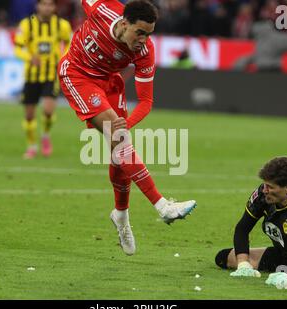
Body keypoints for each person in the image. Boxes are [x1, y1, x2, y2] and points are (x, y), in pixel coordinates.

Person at [57, 0, 197, 255]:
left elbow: (146, 102)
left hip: (109, 84)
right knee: (120, 139)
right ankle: (162, 205)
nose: (144, 39)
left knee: (118, 149)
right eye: (139, 32)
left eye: (149, 34)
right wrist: (120, 128)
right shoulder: (100, 8)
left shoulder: (145, 52)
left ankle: (121, 215)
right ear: (124, 24)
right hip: (77, 75)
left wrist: (127, 123)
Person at [215, 156, 287, 289]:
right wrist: (243, 265)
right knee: (224, 257)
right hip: (282, 254)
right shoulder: (263, 195)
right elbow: (242, 229)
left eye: (270, 187)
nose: (264, 190)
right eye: (265, 185)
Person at [14, 0, 72, 159]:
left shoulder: (62, 25)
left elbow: (69, 43)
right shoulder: (27, 24)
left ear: (54, 7)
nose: (47, 7)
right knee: (29, 116)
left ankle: (45, 135)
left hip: (51, 74)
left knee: (47, 110)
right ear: (38, 6)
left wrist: (63, 58)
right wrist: (29, 57)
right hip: (32, 75)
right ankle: (32, 145)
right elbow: (17, 47)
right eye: (44, 4)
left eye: (50, 4)